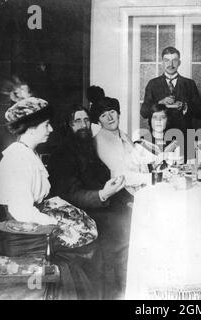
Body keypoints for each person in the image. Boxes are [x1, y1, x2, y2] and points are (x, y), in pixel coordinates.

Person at [0, 97, 99, 299]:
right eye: (46, 125)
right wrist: (53, 223)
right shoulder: (19, 160)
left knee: (84, 233)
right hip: (15, 238)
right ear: (31, 128)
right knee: (80, 250)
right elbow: (21, 211)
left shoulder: (25, 153)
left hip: (13, 232)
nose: (51, 130)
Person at [48, 104, 132, 299]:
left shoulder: (89, 147)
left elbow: (104, 181)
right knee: (123, 233)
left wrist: (128, 200)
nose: (84, 125)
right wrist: (102, 195)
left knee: (135, 220)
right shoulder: (62, 154)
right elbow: (70, 194)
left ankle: (125, 289)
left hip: (103, 207)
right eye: (77, 121)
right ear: (68, 125)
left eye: (86, 120)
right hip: (81, 214)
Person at [141, 46, 201, 133]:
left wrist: (185, 107)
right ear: (162, 63)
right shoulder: (153, 84)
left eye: (174, 60)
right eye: (167, 60)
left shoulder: (190, 84)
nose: (171, 64)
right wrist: (160, 103)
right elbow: (144, 112)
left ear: (179, 63)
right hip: (160, 136)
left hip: (184, 135)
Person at [92, 97, 151, 190]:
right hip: (120, 194)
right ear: (99, 122)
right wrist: (151, 178)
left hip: (138, 187)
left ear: (118, 113)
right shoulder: (100, 142)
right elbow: (121, 176)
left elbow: (137, 162)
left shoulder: (122, 135)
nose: (110, 118)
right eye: (103, 115)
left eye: (112, 112)